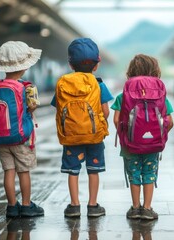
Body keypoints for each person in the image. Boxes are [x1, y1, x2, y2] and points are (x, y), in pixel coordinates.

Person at [51, 38, 113, 217]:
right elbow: (105, 111)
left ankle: (74, 205)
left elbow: (59, 107)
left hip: (71, 137)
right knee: (94, 170)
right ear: (96, 65)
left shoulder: (63, 83)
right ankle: (93, 206)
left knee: (73, 171)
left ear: (71, 64)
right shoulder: (99, 84)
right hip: (94, 136)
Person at [111, 54, 174, 220]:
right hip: (153, 144)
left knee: (134, 173)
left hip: (130, 144)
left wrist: (127, 133)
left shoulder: (122, 95)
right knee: (149, 173)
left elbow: (117, 119)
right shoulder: (161, 95)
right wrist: (158, 133)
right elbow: (170, 121)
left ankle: (135, 207)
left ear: (131, 71)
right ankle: (147, 208)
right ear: (155, 71)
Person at [0, 41, 44, 217]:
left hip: (2, 137)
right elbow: (33, 107)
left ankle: (12, 206)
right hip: (21, 137)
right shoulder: (28, 87)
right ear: (24, 67)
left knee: (9, 171)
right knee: (23, 171)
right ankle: (27, 206)